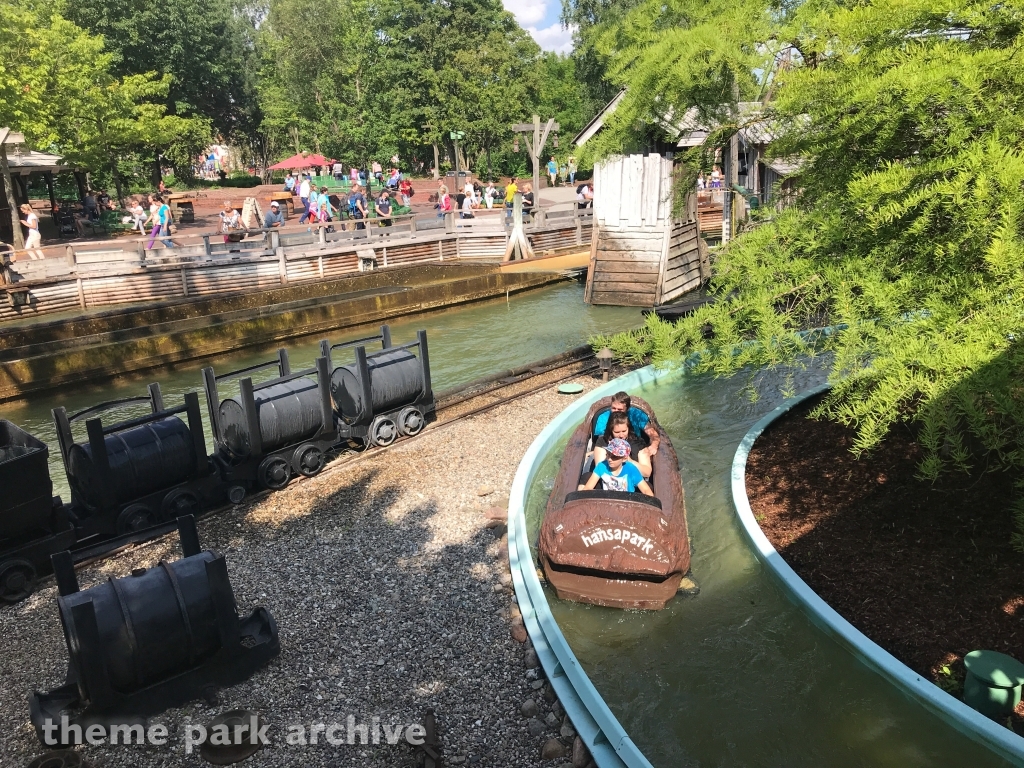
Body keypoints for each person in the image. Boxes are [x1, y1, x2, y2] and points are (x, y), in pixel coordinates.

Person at [593, 391, 661, 457]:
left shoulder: (637, 415)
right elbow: (602, 441)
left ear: (627, 408)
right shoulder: (603, 417)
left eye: (620, 409)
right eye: (613, 408)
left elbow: (652, 433)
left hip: (635, 446)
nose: (616, 412)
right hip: (611, 449)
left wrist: (654, 445)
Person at [578, 438, 654, 496]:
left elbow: (646, 490)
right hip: (607, 501)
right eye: (608, 454)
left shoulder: (631, 469)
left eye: (614, 457)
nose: (610, 459)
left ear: (624, 458)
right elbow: (588, 488)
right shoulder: (601, 466)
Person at [593, 412, 652, 478]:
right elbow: (600, 471)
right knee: (586, 477)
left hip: (633, 480)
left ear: (628, 428)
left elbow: (647, 473)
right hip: (609, 480)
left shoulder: (638, 443)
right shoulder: (603, 441)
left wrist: (629, 461)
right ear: (610, 430)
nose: (621, 435)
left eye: (624, 431)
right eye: (617, 432)